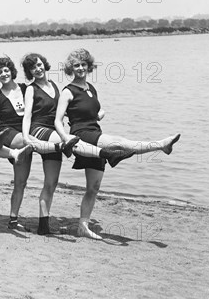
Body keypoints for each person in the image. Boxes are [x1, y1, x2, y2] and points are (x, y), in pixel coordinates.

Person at [54, 48, 181, 239]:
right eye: (76, 65)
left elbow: (89, 112)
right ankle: (161, 145)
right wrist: (66, 139)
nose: (80, 68)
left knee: (93, 187)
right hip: (82, 136)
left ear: (89, 66)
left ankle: (83, 226)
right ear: (71, 68)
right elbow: (57, 120)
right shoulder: (67, 91)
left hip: (94, 131)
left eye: (83, 64)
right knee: (120, 143)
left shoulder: (90, 88)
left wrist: (99, 114)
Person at [21, 53, 135, 234]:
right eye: (33, 67)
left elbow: (63, 112)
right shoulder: (30, 89)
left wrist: (93, 115)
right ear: (29, 72)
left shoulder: (55, 87)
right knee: (72, 141)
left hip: (55, 134)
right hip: (39, 131)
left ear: (45, 65)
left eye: (40, 65)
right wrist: (27, 137)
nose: (38, 69)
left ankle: (43, 227)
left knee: (51, 182)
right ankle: (107, 154)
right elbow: (27, 115)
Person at [0, 57, 35, 230]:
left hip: (25, 135)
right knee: (31, 141)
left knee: (21, 182)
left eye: (6, 70)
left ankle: (13, 219)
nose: (4, 74)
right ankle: (57, 146)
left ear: (12, 71)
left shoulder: (26, 89)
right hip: (7, 134)